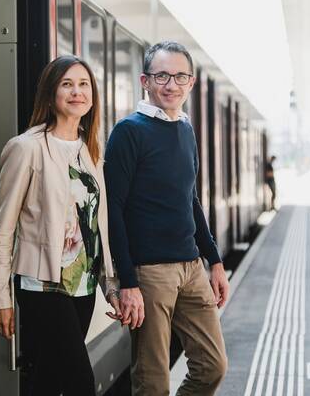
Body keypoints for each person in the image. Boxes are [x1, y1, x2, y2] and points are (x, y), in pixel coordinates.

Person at [0, 55, 121, 396]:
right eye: (67, 84)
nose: (77, 92)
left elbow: (97, 226)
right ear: (50, 94)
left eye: (84, 85)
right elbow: (2, 230)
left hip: (84, 285)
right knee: (80, 383)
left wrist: (112, 284)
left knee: (48, 379)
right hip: (43, 285)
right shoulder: (26, 148)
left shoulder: (91, 150)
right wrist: (0, 297)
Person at [104, 41, 229, 395]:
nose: (170, 84)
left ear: (190, 83)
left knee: (213, 366)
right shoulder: (129, 132)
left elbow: (191, 201)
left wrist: (215, 261)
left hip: (191, 268)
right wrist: (127, 282)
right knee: (152, 379)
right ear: (145, 80)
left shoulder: (186, 130)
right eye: (161, 75)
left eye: (179, 76)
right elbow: (114, 209)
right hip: (150, 273)